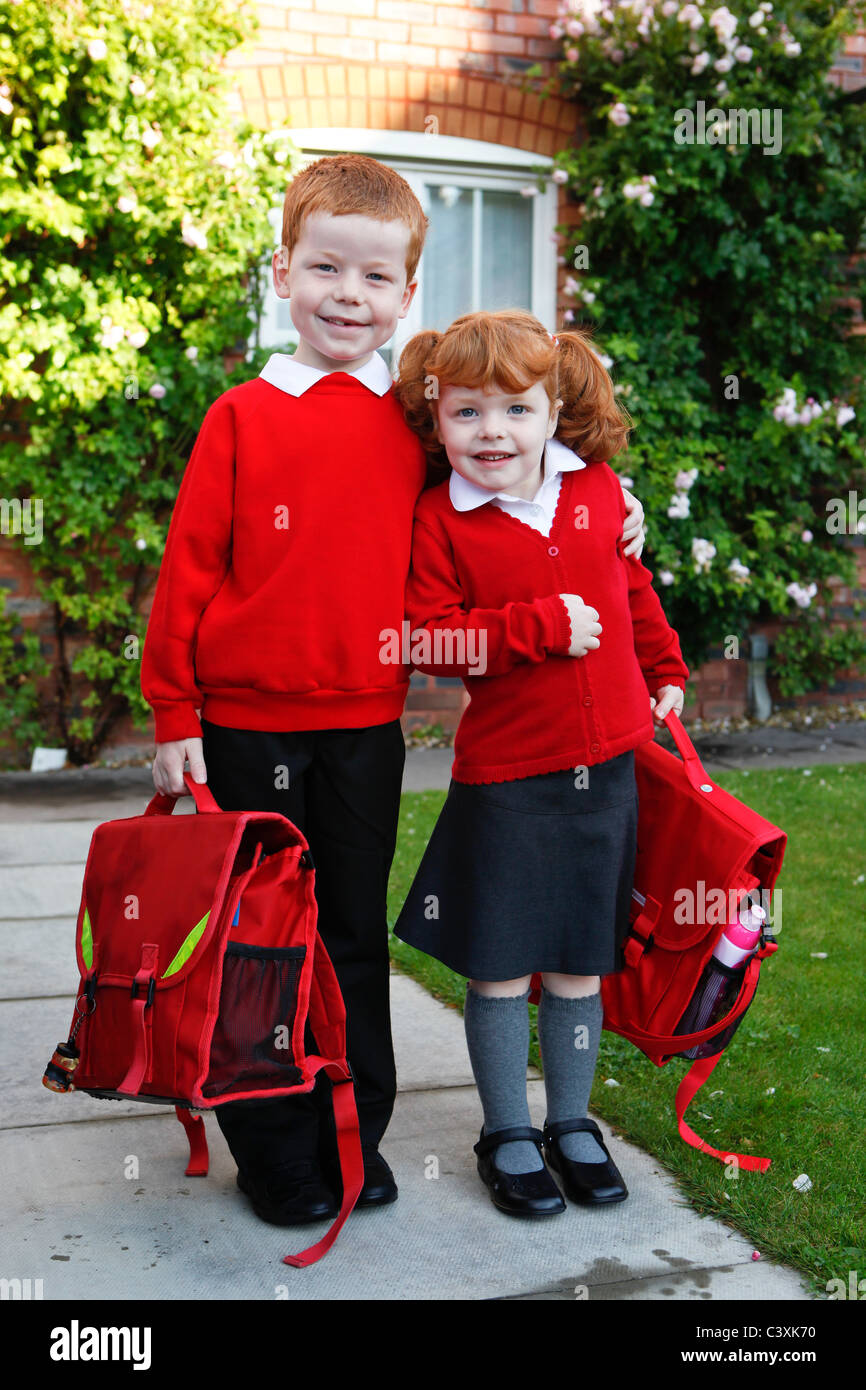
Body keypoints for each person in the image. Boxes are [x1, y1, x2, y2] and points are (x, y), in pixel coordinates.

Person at [141, 156, 648, 1229]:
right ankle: (276, 1148)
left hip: (363, 726)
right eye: (323, 268)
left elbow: (510, 463)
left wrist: (617, 507)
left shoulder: (416, 425)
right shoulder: (240, 416)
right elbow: (188, 568)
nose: (345, 295)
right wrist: (173, 715)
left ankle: (350, 1129)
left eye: (373, 279)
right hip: (243, 724)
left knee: (350, 935)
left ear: (404, 297)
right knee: (260, 939)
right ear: (282, 273)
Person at [393, 309, 689, 1218]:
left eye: (516, 411)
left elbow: (631, 591)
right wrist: (540, 628)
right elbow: (430, 643)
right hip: (512, 780)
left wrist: (666, 667)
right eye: (468, 413)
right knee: (502, 967)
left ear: (553, 408)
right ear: (438, 419)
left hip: (608, 772)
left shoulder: (599, 493)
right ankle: (507, 1132)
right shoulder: (442, 522)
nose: (494, 433)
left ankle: (570, 1123)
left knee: (577, 966)